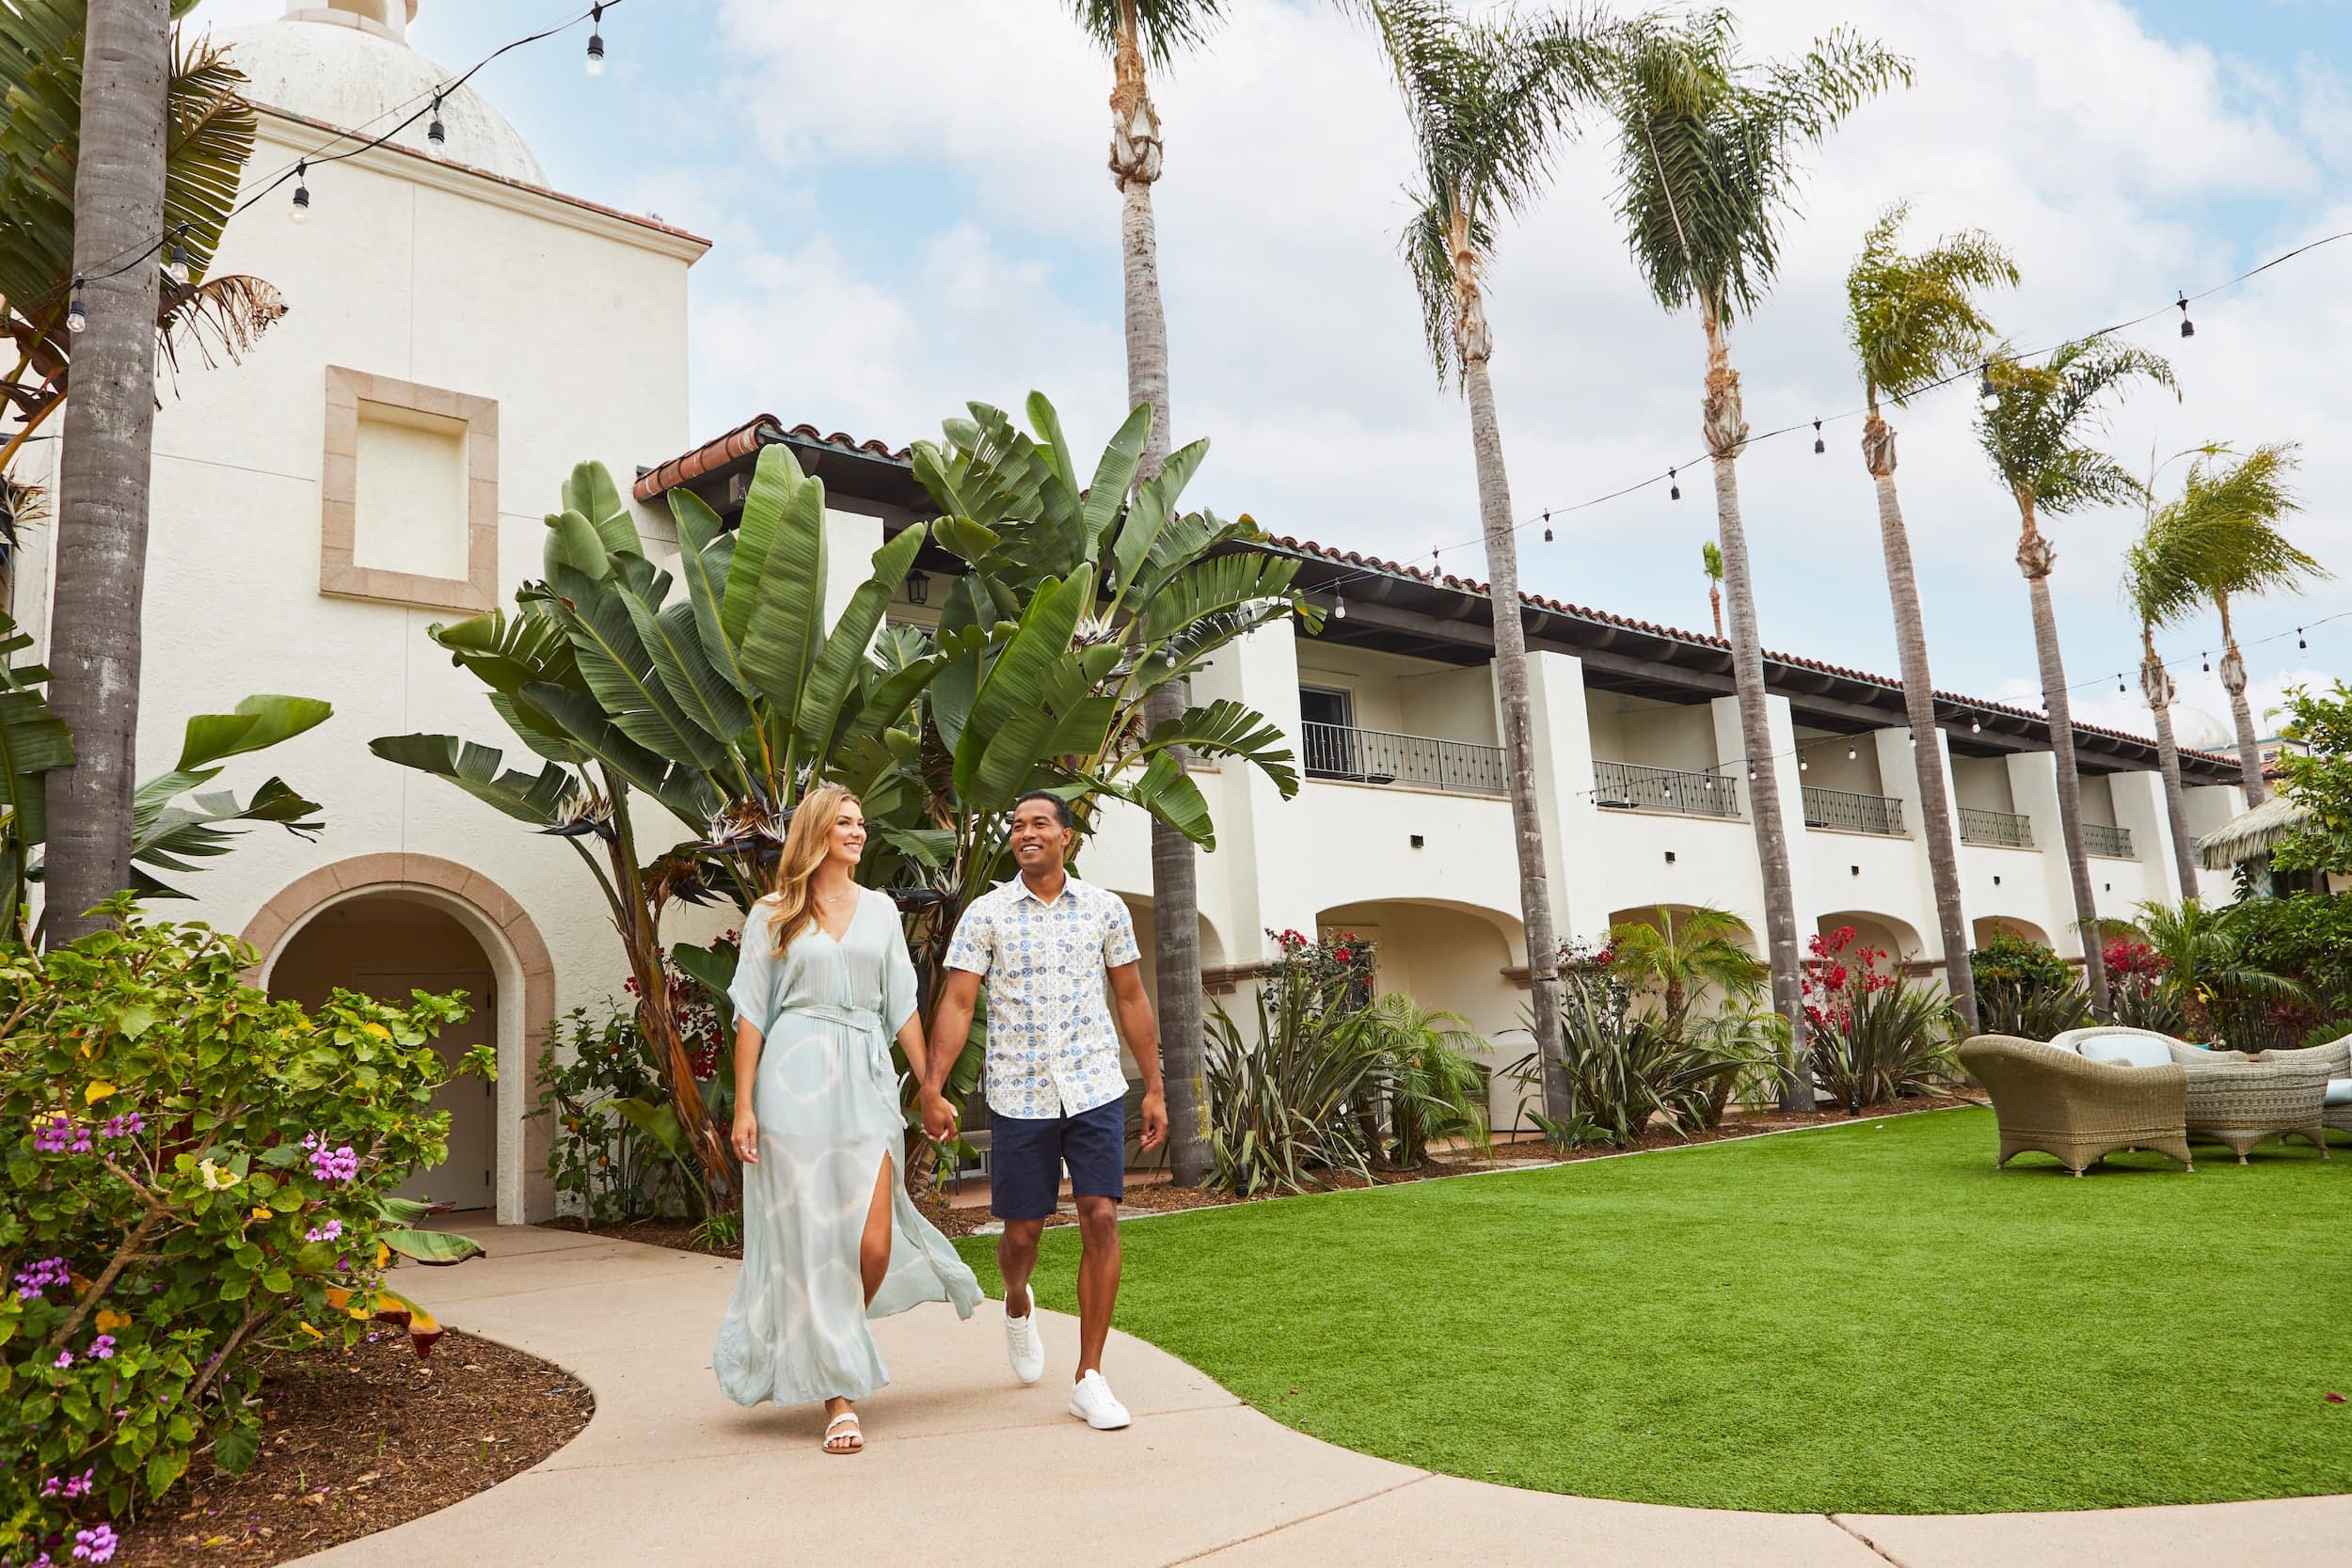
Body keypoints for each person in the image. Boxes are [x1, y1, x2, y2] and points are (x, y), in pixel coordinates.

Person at [713, 784, 981, 1454]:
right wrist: (744, 1104)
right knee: (811, 1236)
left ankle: (830, 1342)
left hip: (864, 1079)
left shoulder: (883, 911)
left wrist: (928, 1085)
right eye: (846, 823)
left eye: (862, 823)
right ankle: (839, 1393)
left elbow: (902, 1009)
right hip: (792, 1078)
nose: (859, 832)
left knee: (871, 1244)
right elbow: (752, 1013)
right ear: (816, 832)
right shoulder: (772, 913)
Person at [923, 789, 1167, 1431]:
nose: (1025, 832)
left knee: (1102, 1215)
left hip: (1093, 1086)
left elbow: (1133, 997)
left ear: (1066, 836)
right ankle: (1016, 1296)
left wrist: (1156, 1088)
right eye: (1017, 825)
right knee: (1022, 1232)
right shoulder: (987, 913)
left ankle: (1089, 1375)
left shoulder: (1105, 910)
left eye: (1039, 823)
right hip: (1019, 1093)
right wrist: (933, 1084)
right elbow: (956, 1003)